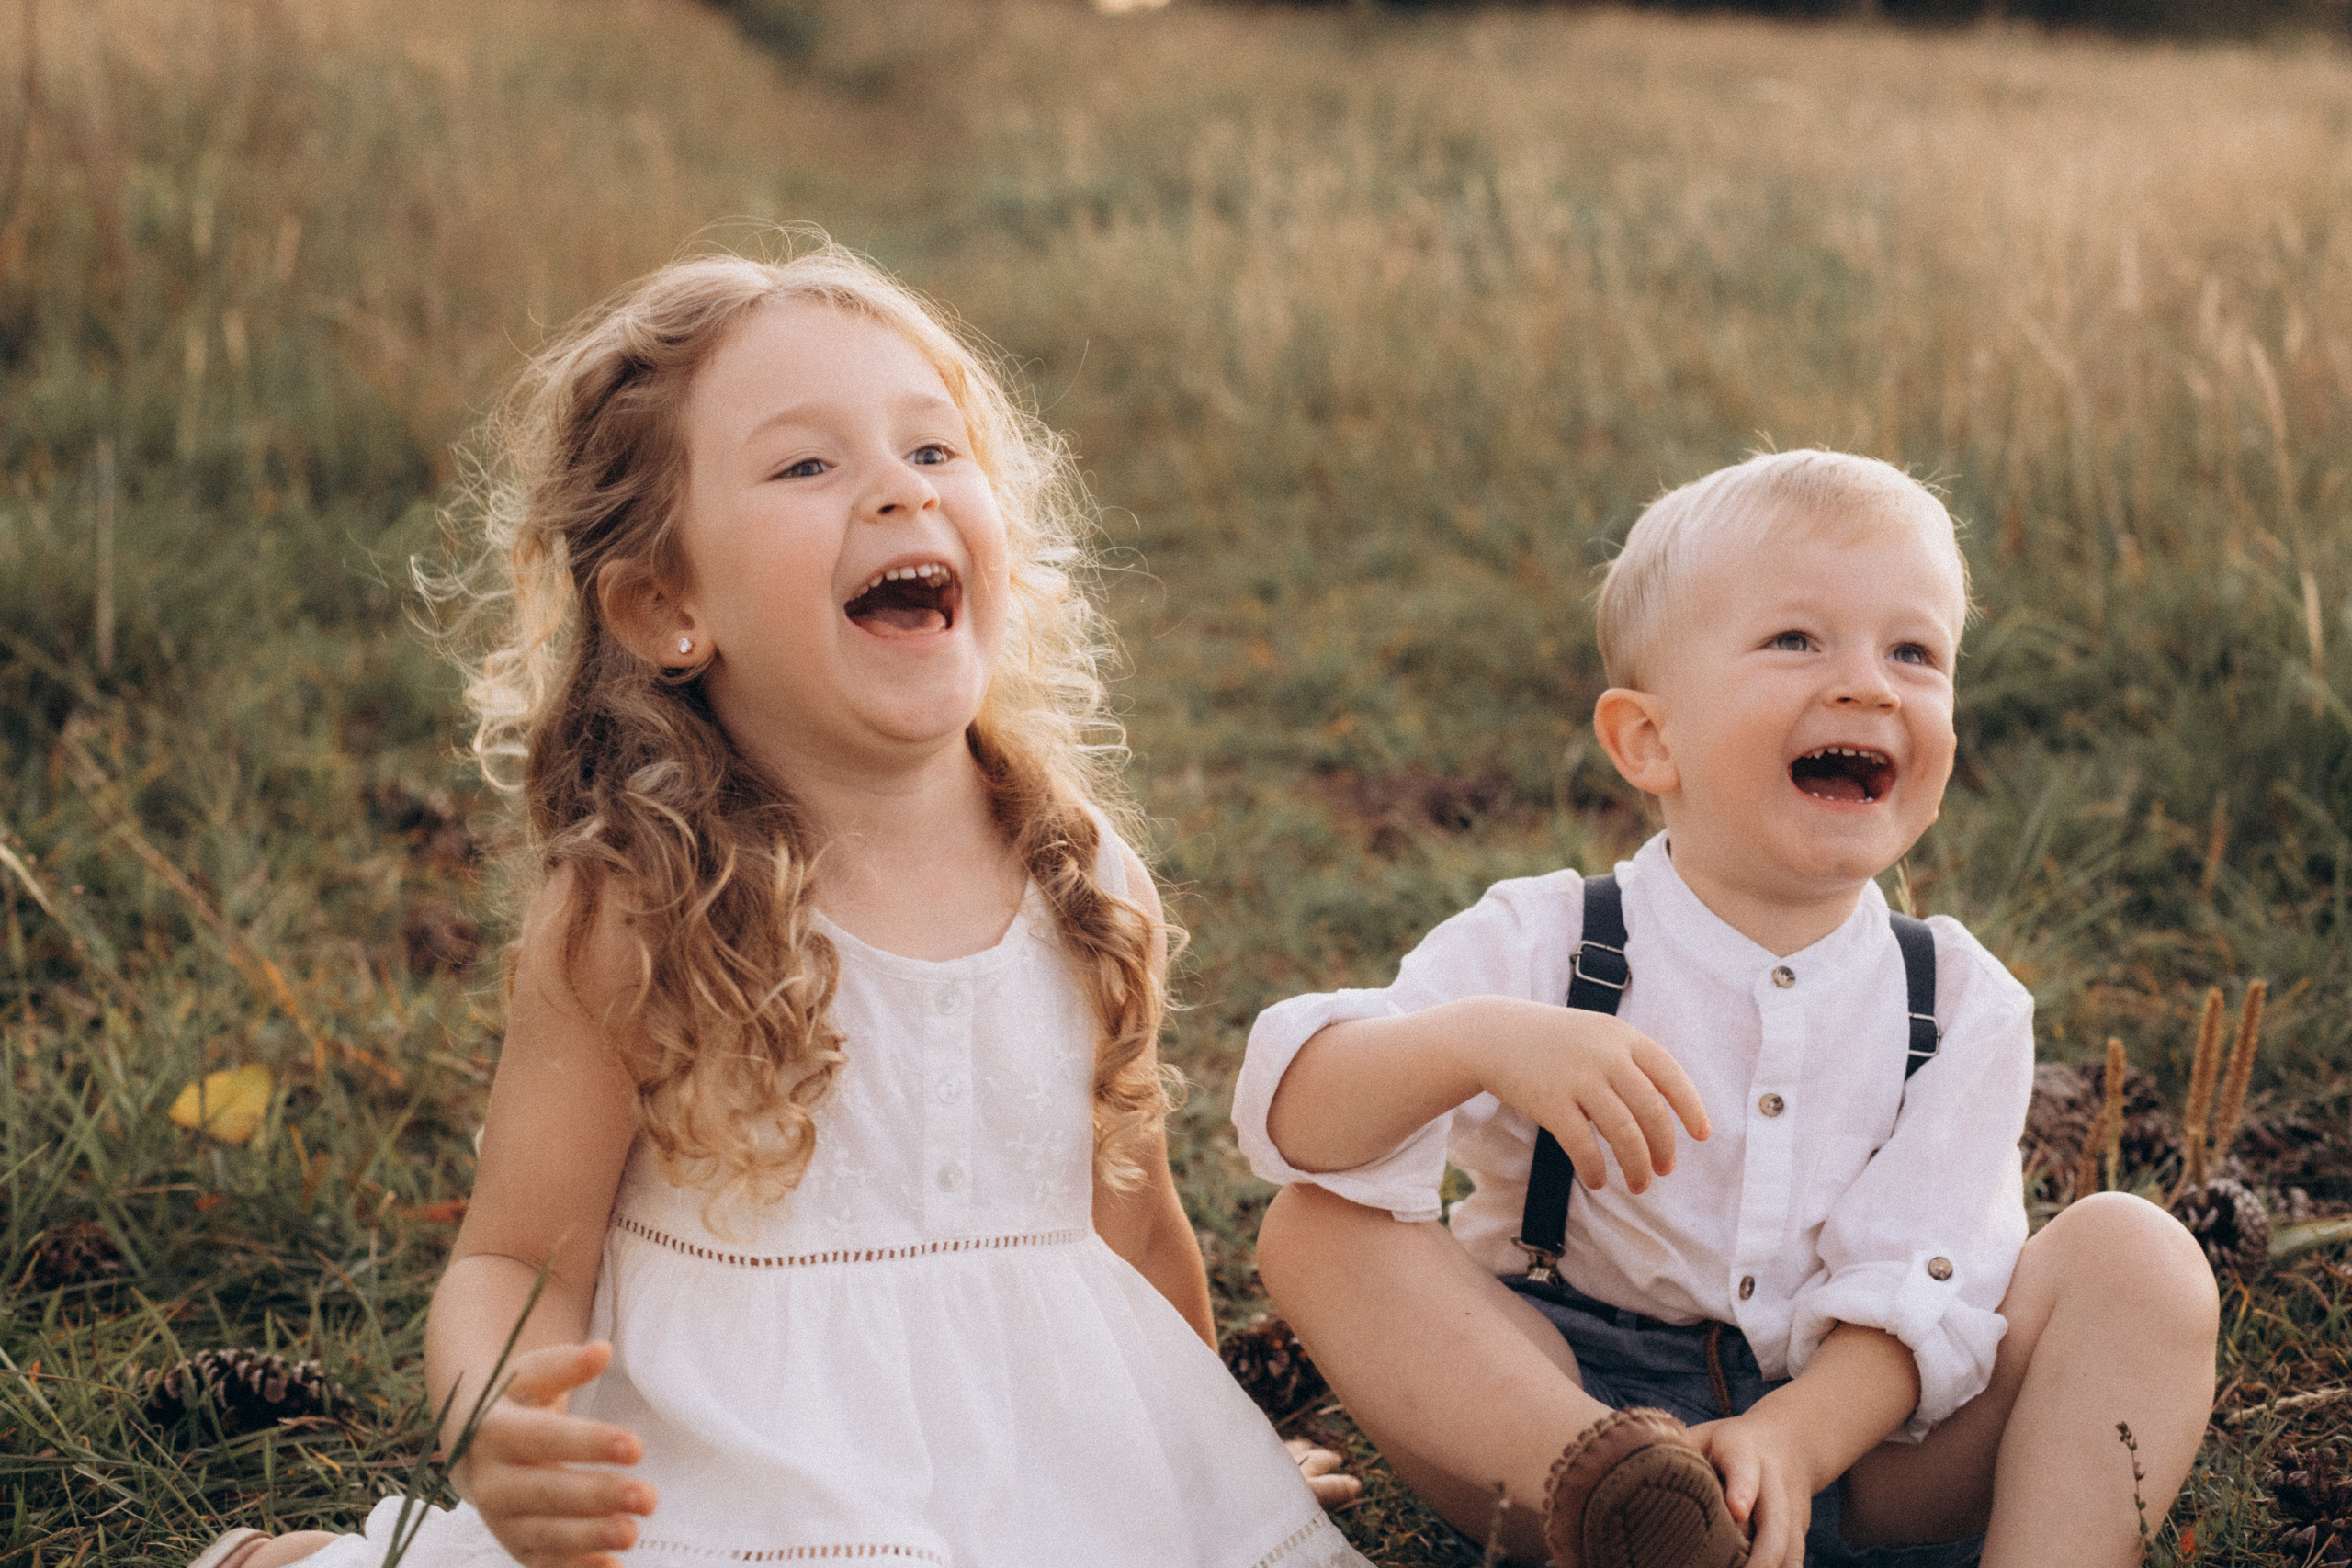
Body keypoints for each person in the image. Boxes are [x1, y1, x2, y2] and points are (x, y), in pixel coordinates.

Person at [195, 237, 1368, 1568]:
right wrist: (496, 1422)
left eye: (934, 451)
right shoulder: (638, 907)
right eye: (808, 464)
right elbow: (519, 1254)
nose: (894, 492)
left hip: (1044, 1477)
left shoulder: (1078, 874)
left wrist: (1196, 1463)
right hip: (742, 1484)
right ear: (663, 602)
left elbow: (1137, 1224)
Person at [1230, 451, 2220, 1568]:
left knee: (2139, 1256)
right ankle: (1645, 1519)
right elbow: (1299, 1125)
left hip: (1867, 1450)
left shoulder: (1956, 999)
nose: (1867, 685)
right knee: (1318, 1224)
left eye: (1914, 651)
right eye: (1797, 640)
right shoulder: (1552, 943)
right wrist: (1482, 1043)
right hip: (1559, 1423)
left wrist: (1792, 1442)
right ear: (1650, 740)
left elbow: (1919, 1281)